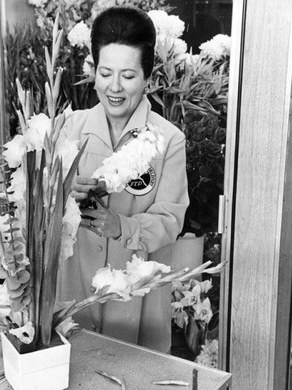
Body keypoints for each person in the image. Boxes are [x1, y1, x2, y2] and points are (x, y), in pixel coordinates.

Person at [57, 6, 189, 353]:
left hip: (137, 299)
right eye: (105, 73)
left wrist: (122, 226)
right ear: (94, 71)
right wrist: (63, 192)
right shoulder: (71, 128)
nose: (114, 87)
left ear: (148, 77)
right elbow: (37, 206)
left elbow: (170, 220)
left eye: (128, 76)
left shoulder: (168, 139)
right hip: (75, 288)